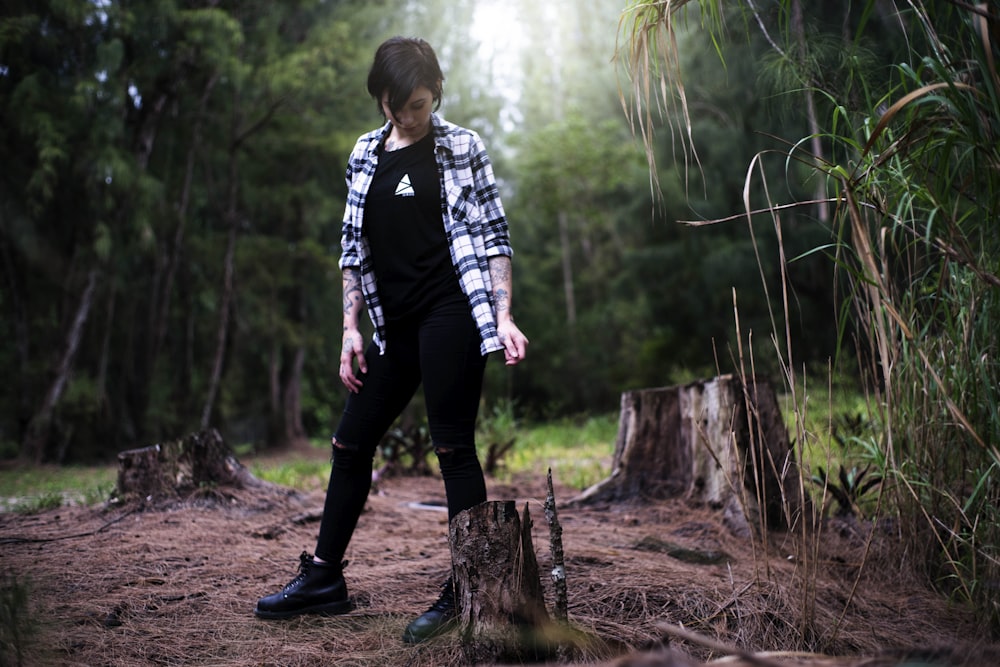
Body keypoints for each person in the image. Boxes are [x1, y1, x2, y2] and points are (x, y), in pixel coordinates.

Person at [253, 36, 529, 644]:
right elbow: (352, 248)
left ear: (436, 96)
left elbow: (495, 237)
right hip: (393, 324)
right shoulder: (364, 155)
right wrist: (350, 329)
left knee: (453, 448)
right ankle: (325, 579)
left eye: (424, 103)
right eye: (402, 105)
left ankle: (466, 589)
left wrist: (503, 316)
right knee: (351, 443)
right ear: (382, 98)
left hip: (454, 311)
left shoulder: (461, 147)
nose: (413, 115)